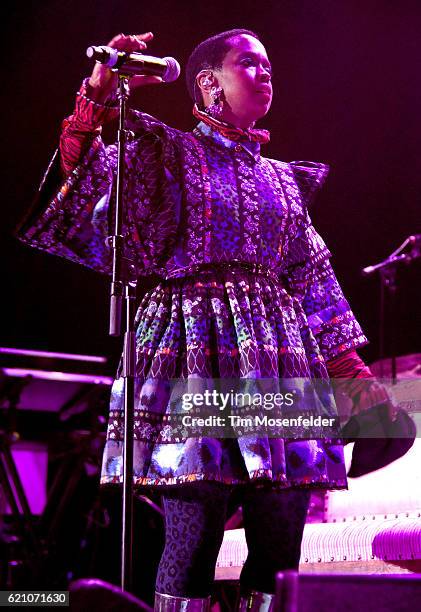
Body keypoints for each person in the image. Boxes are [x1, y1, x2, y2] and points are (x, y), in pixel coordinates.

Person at [19, 28, 392, 612]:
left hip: (279, 359)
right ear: (208, 82)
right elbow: (86, 180)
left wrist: (351, 373)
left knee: (281, 524)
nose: (266, 73)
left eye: (269, 64)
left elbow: (312, 277)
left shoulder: (282, 181)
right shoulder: (165, 154)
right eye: (249, 63)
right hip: (196, 353)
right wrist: (97, 96)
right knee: (196, 523)